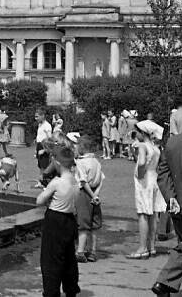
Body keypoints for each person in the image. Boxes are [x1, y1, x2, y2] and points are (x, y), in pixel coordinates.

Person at [35, 146, 80, 297]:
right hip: (70, 220)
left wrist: (44, 189)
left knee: (51, 259)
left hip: (55, 220)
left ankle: (51, 292)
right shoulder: (75, 181)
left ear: (58, 164)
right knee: (69, 257)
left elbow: (39, 201)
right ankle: (71, 288)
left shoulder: (56, 182)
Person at [153, 122, 182, 296]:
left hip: (178, 204)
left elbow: (163, 172)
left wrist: (171, 197)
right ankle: (164, 282)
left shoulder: (173, 142)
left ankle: (164, 282)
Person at [129, 120, 167, 259]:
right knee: (153, 215)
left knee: (143, 214)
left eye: (137, 132)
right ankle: (151, 246)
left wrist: (139, 173)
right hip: (154, 179)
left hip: (144, 181)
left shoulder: (143, 146)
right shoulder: (155, 147)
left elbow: (142, 162)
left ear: (142, 133)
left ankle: (142, 248)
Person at [74, 139, 104, 263]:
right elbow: (101, 179)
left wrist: (91, 195)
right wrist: (96, 195)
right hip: (95, 193)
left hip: (84, 193)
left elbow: (83, 181)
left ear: (82, 148)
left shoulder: (81, 162)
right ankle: (92, 251)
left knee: (83, 222)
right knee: (94, 223)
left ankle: (80, 251)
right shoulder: (97, 162)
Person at [34, 108, 54, 188]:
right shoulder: (40, 125)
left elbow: (50, 139)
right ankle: (40, 181)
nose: (36, 118)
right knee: (40, 166)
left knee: (45, 166)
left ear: (42, 116)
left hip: (44, 146)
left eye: (37, 116)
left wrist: (44, 150)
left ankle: (45, 183)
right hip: (39, 145)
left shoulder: (47, 126)